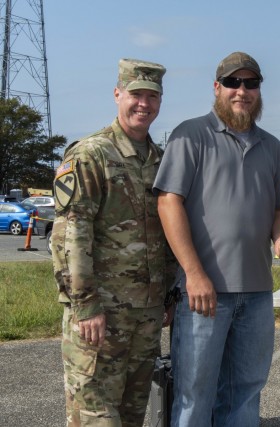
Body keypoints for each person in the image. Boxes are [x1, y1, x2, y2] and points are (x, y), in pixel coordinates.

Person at [152, 51, 280, 427]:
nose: (242, 91)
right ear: (217, 88)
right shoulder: (191, 135)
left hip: (256, 294)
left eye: (250, 84)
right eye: (233, 83)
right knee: (193, 396)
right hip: (204, 293)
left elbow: (278, 211)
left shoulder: (273, 147)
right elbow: (169, 203)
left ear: (259, 91)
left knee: (245, 395)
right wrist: (193, 273)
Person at [52, 58, 175, 426]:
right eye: (136, 94)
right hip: (101, 315)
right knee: (95, 416)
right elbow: (71, 233)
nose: (144, 104)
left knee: (133, 416)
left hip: (146, 316)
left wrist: (167, 295)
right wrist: (85, 304)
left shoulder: (160, 160)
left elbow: (168, 232)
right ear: (117, 93)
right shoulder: (91, 154)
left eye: (153, 96)